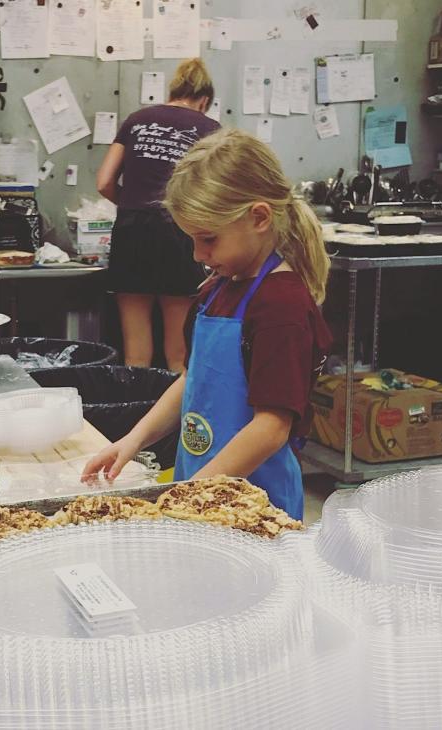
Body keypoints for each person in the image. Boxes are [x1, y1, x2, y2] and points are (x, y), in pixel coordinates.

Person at [84, 129, 333, 520]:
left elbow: (271, 428)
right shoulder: (218, 289)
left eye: (209, 239)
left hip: (255, 510)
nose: (200, 255)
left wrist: (191, 497)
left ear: (259, 218)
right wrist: (132, 441)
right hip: (199, 494)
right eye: (192, 241)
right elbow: (193, 378)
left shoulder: (280, 306)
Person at [96, 58, 220, 372]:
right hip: (178, 232)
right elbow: (217, 194)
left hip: (131, 231)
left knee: (135, 356)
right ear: (204, 101)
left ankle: (137, 419)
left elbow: (104, 182)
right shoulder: (210, 129)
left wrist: (132, 205)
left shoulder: (137, 119)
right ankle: (176, 422)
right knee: (178, 355)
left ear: (174, 90)